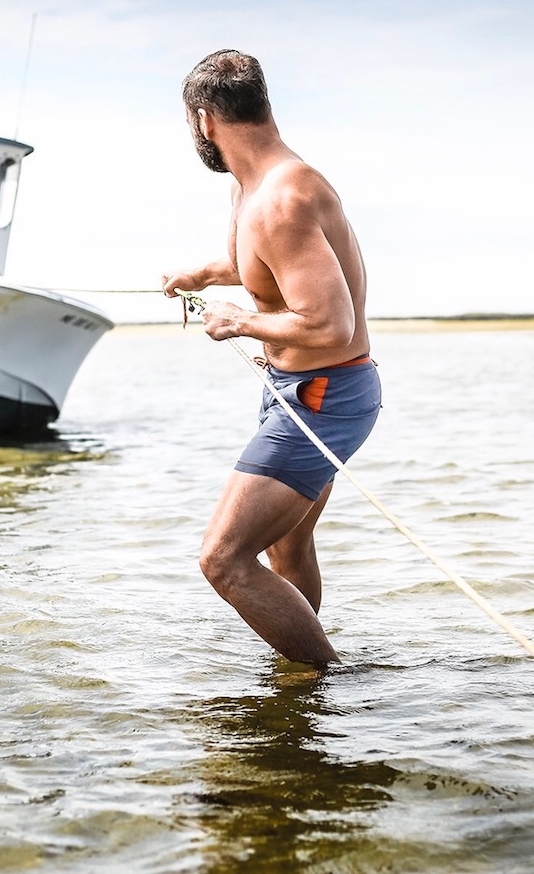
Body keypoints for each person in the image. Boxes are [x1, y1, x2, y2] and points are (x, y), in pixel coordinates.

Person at [163, 49, 381, 667]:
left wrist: (238, 321)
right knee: (287, 545)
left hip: (325, 395)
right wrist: (204, 274)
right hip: (294, 388)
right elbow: (261, 264)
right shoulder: (249, 186)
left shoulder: (282, 199)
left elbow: (330, 324)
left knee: (223, 558)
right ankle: (302, 690)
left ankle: (328, 678)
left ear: (203, 120)